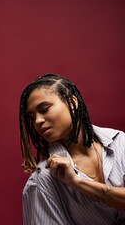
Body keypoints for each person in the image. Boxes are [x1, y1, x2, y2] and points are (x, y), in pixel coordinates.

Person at [19, 73, 125, 225]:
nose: (38, 121)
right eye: (32, 117)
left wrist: (77, 182)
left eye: (44, 109)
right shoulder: (43, 181)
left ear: (72, 102)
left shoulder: (119, 142)